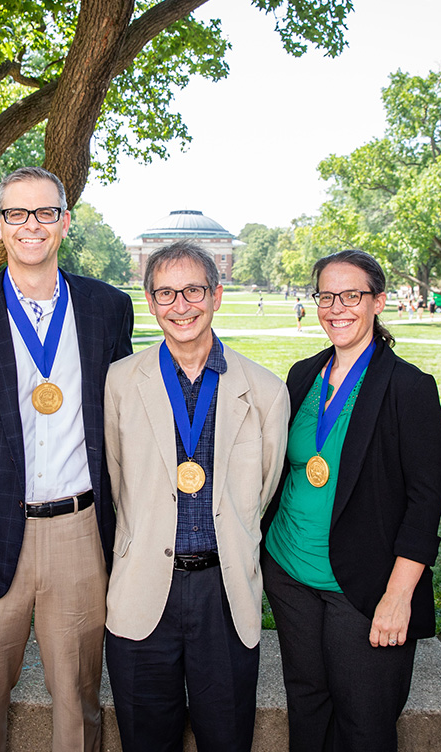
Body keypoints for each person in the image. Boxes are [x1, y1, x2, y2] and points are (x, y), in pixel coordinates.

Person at [0, 166, 134, 752]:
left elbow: (120, 425)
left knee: (78, 705)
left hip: (80, 533)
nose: (31, 225)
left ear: (65, 221)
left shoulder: (106, 309)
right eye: (17, 213)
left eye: (45, 213)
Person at [103, 240, 289, 752]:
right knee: (144, 739)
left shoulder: (266, 390)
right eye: (165, 293)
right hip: (144, 587)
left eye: (192, 290)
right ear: (149, 301)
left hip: (223, 593)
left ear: (217, 295)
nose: (180, 304)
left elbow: (266, 487)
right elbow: (117, 479)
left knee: (227, 739)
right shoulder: (120, 382)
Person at [262, 250, 441, 752]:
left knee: (364, 723)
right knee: (307, 704)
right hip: (290, 573)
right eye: (326, 295)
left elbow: (426, 503)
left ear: (378, 302)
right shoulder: (302, 375)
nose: (336, 307)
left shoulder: (409, 388)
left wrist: (398, 595)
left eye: (352, 295)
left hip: (364, 586)